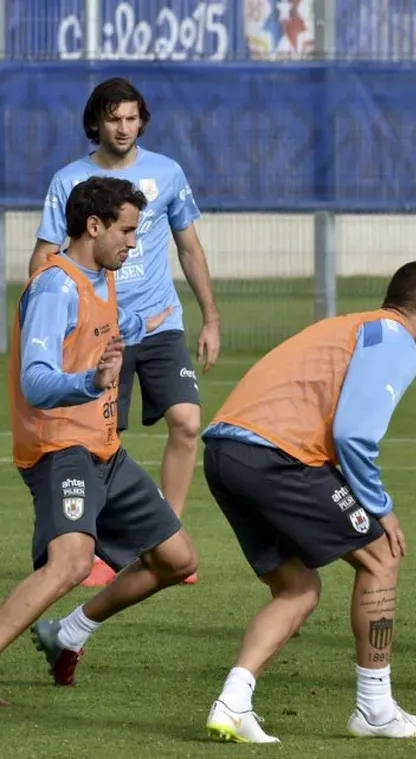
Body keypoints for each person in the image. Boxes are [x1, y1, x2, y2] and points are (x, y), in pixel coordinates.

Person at [200, 262, 416, 743]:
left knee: (297, 588)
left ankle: (232, 704)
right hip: (274, 454)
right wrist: (380, 505)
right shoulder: (397, 340)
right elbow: (353, 433)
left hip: (223, 453)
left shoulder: (350, 326)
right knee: (382, 555)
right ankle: (376, 708)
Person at [2, 176, 199, 696]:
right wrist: (90, 381)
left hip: (105, 452)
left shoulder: (101, 278)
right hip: (60, 449)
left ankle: (69, 633)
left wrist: (143, 322)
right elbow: (35, 381)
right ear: (94, 226)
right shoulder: (54, 286)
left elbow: (107, 327)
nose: (134, 243)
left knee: (178, 560)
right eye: (127, 231)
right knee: (71, 562)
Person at [31, 77, 219, 587]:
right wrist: (43, 316)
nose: (123, 127)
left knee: (186, 421)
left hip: (158, 322)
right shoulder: (68, 180)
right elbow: (45, 256)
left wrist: (211, 317)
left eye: (132, 118)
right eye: (114, 118)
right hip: (97, 331)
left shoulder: (168, 173)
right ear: (96, 122)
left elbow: (189, 248)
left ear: (143, 121)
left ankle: (165, 538)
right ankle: (84, 543)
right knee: (96, 442)